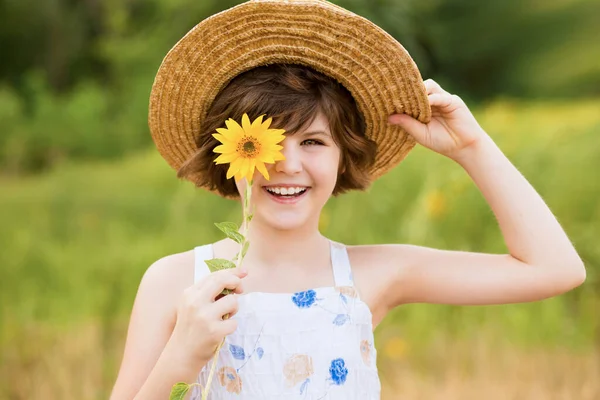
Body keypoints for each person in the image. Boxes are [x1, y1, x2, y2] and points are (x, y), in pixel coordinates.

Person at [109, 1, 586, 399]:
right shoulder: (176, 282)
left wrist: (473, 149)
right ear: (231, 154)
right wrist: (181, 356)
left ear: (344, 158)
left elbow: (555, 269)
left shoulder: (371, 276)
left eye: (313, 142)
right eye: (263, 143)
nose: (288, 164)